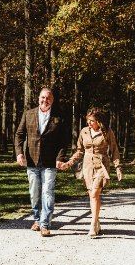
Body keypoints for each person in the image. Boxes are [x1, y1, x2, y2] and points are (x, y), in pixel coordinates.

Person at [14, 87, 68, 237]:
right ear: (38, 98)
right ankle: (37, 219)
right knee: (34, 193)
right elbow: (19, 135)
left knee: (48, 191)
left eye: (48, 98)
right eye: (43, 98)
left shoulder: (59, 117)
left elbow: (64, 141)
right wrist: (19, 154)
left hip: (50, 162)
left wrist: (60, 158)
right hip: (32, 160)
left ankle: (45, 224)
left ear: (52, 100)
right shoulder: (29, 114)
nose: (45, 100)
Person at [62, 107, 123, 237]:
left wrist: (118, 167)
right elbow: (79, 150)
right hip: (87, 166)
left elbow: (114, 150)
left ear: (99, 121)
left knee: (95, 192)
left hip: (102, 165)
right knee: (92, 195)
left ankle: (92, 225)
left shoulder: (107, 132)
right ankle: (97, 221)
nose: (89, 123)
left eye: (92, 121)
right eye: (88, 120)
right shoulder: (84, 131)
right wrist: (69, 163)